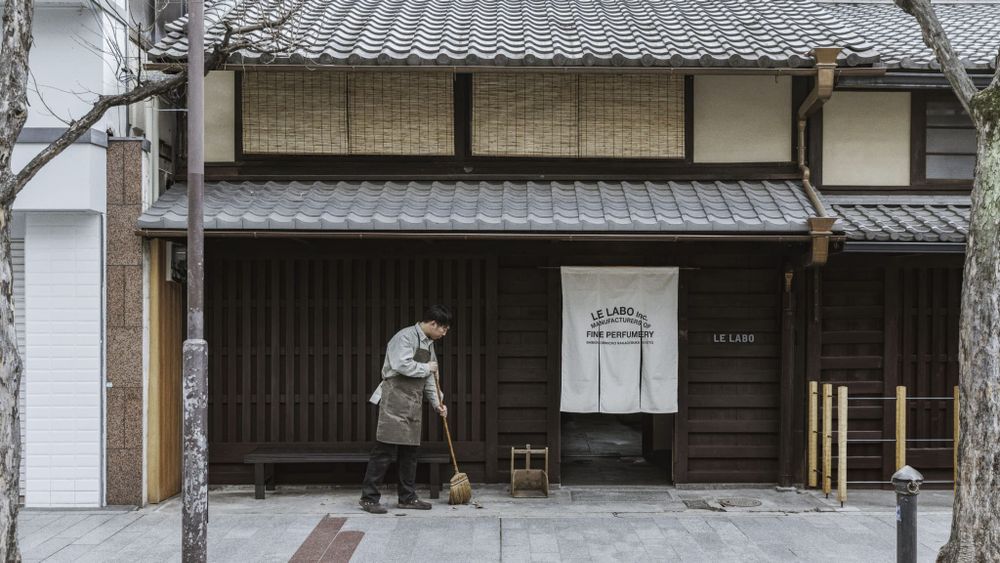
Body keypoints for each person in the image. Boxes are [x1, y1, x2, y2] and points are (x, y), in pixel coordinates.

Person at [359, 305, 451, 514]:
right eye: (443, 329)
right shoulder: (404, 337)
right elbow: (401, 365)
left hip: (413, 401)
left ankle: (407, 497)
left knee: (410, 453)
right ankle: (369, 498)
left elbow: (430, 380)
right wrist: (428, 367)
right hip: (394, 398)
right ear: (433, 324)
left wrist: (438, 403)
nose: (444, 333)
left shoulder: (429, 344)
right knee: (384, 451)